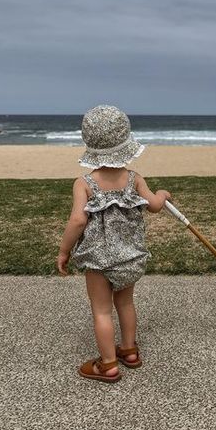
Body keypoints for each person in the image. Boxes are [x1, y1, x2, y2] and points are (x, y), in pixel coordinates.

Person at [57, 105, 171, 383]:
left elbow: (77, 221)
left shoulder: (83, 183)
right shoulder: (134, 179)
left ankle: (107, 364)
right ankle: (129, 351)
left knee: (101, 310)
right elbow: (155, 206)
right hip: (129, 258)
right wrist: (163, 194)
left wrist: (64, 250)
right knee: (126, 304)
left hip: (98, 260)